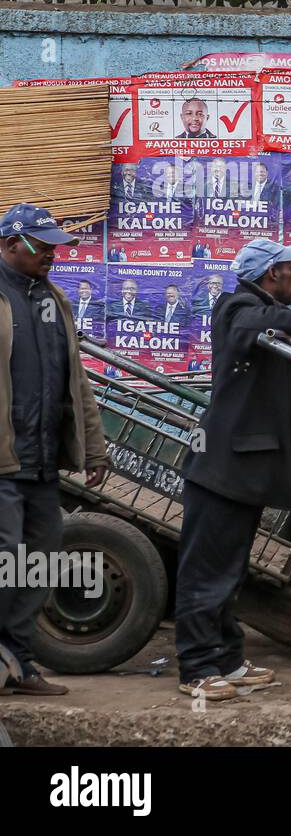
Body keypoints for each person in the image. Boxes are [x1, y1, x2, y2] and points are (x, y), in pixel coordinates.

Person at [176, 238, 291, 701]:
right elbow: (264, 320)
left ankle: (228, 660)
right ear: (272, 275)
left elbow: (275, 324)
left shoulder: (260, 314)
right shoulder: (239, 308)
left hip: (241, 471)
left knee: (231, 570)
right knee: (206, 571)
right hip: (220, 470)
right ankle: (196, 668)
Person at [0, 204, 108, 695]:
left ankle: (18, 663)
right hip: (2, 462)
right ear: (9, 244)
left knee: (38, 561)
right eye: (41, 246)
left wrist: (93, 448)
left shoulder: (53, 299)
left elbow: (75, 381)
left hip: (41, 461)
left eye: (54, 247)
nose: (51, 255)